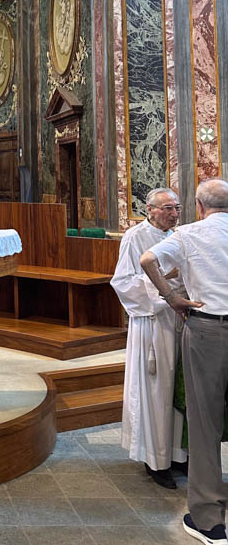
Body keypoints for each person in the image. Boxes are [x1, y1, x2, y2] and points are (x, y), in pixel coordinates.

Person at [141, 178, 228, 545]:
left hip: (209, 330)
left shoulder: (189, 234)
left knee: (205, 421)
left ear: (198, 206)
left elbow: (148, 260)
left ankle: (209, 521)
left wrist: (172, 296)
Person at [111, 188, 188, 488]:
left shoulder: (179, 236)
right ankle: (156, 461)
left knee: (178, 391)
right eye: (168, 207)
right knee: (157, 393)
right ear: (150, 209)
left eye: (177, 207)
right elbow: (122, 283)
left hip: (180, 321)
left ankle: (180, 455)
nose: (174, 213)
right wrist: (162, 282)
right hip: (152, 323)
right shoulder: (134, 237)